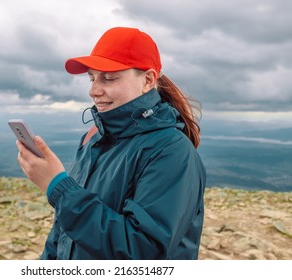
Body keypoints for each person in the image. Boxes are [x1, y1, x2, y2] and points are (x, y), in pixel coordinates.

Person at [16, 27, 206, 259]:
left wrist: (58, 187)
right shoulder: (93, 138)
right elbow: (64, 232)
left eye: (108, 77)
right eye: (92, 78)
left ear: (148, 80)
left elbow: (143, 253)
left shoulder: (172, 151)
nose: (93, 90)